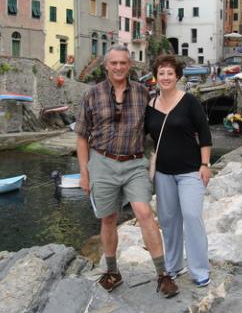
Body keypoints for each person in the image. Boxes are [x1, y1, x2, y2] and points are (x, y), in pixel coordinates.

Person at [75, 45, 179, 298]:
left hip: (134, 163)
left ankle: (163, 275)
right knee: (108, 218)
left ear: (130, 65)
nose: (119, 67)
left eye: (123, 63)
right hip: (102, 162)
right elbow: (81, 136)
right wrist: (84, 173)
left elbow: (162, 121)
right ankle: (112, 272)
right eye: (114, 63)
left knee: (144, 213)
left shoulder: (144, 93)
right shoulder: (92, 94)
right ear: (106, 66)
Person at [145, 55, 212, 287]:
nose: (165, 77)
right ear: (156, 77)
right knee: (169, 220)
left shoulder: (189, 102)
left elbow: (205, 134)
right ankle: (173, 266)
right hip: (163, 173)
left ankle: (200, 269)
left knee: (192, 217)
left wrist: (205, 165)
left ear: (177, 77)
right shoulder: (150, 107)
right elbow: (139, 135)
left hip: (190, 171)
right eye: (161, 73)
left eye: (170, 73)